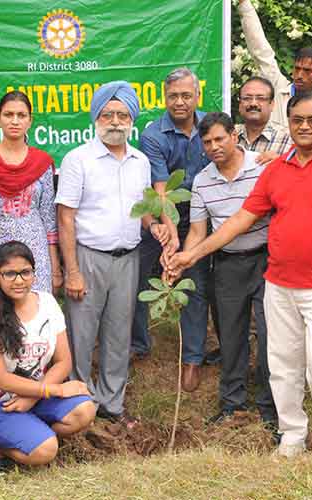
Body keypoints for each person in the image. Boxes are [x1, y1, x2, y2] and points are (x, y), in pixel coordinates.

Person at [167, 93, 312, 457]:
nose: (304, 127)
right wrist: (191, 255)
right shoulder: (275, 170)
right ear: (289, 123)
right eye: (297, 120)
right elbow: (240, 221)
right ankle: (292, 435)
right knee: (282, 363)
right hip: (278, 283)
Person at [56, 81, 169, 427]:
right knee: (82, 334)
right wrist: (72, 270)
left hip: (128, 258)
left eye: (123, 115)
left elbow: (142, 208)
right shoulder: (78, 159)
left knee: (119, 335)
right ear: (96, 117)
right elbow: (65, 217)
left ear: (132, 119)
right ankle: (79, 404)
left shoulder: (140, 161)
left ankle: (112, 405)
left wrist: (154, 226)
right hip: (89, 257)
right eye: (109, 114)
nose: (116, 121)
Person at [0, 241, 95, 468]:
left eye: (25, 272)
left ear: (33, 273)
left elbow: (63, 361)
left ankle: (32, 433)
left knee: (84, 411)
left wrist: (33, 397)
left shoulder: (47, 303)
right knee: (45, 451)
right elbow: (0, 379)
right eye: (9, 273)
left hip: (35, 395)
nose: (19, 280)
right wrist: (57, 389)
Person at [188, 112, 277, 429]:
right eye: (207, 142)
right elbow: (197, 232)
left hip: (268, 260)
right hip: (226, 264)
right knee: (231, 335)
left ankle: (270, 408)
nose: (214, 146)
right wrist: (182, 258)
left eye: (219, 139)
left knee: (271, 336)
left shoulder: (264, 165)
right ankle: (232, 406)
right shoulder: (202, 180)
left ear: (234, 136)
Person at [132, 67, 210, 391]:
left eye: (186, 95)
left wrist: (186, 242)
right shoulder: (153, 133)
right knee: (137, 275)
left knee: (196, 280)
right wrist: (170, 234)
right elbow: (161, 187)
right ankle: (138, 344)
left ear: (197, 96)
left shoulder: (211, 126)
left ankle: (192, 357)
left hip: (204, 212)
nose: (179, 102)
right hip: (160, 209)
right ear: (165, 97)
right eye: (173, 96)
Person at [0, 91, 62, 295]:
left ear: (30, 120)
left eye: (21, 115)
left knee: (35, 312)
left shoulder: (42, 162)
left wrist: (55, 266)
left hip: (35, 247)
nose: (15, 121)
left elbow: (48, 216)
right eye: (8, 114)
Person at [238, 0, 312, 141]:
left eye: (307, 71)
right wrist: (244, 5)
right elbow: (260, 50)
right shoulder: (277, 89)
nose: (300, 75)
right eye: (297, 69)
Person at [237, 76, 292, 159]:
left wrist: (280, 163)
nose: (253, 103)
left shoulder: (289, 139)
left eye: (260, 98)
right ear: (240, 105)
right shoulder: (229, 136)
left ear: (272, 104)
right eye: (247, 98)